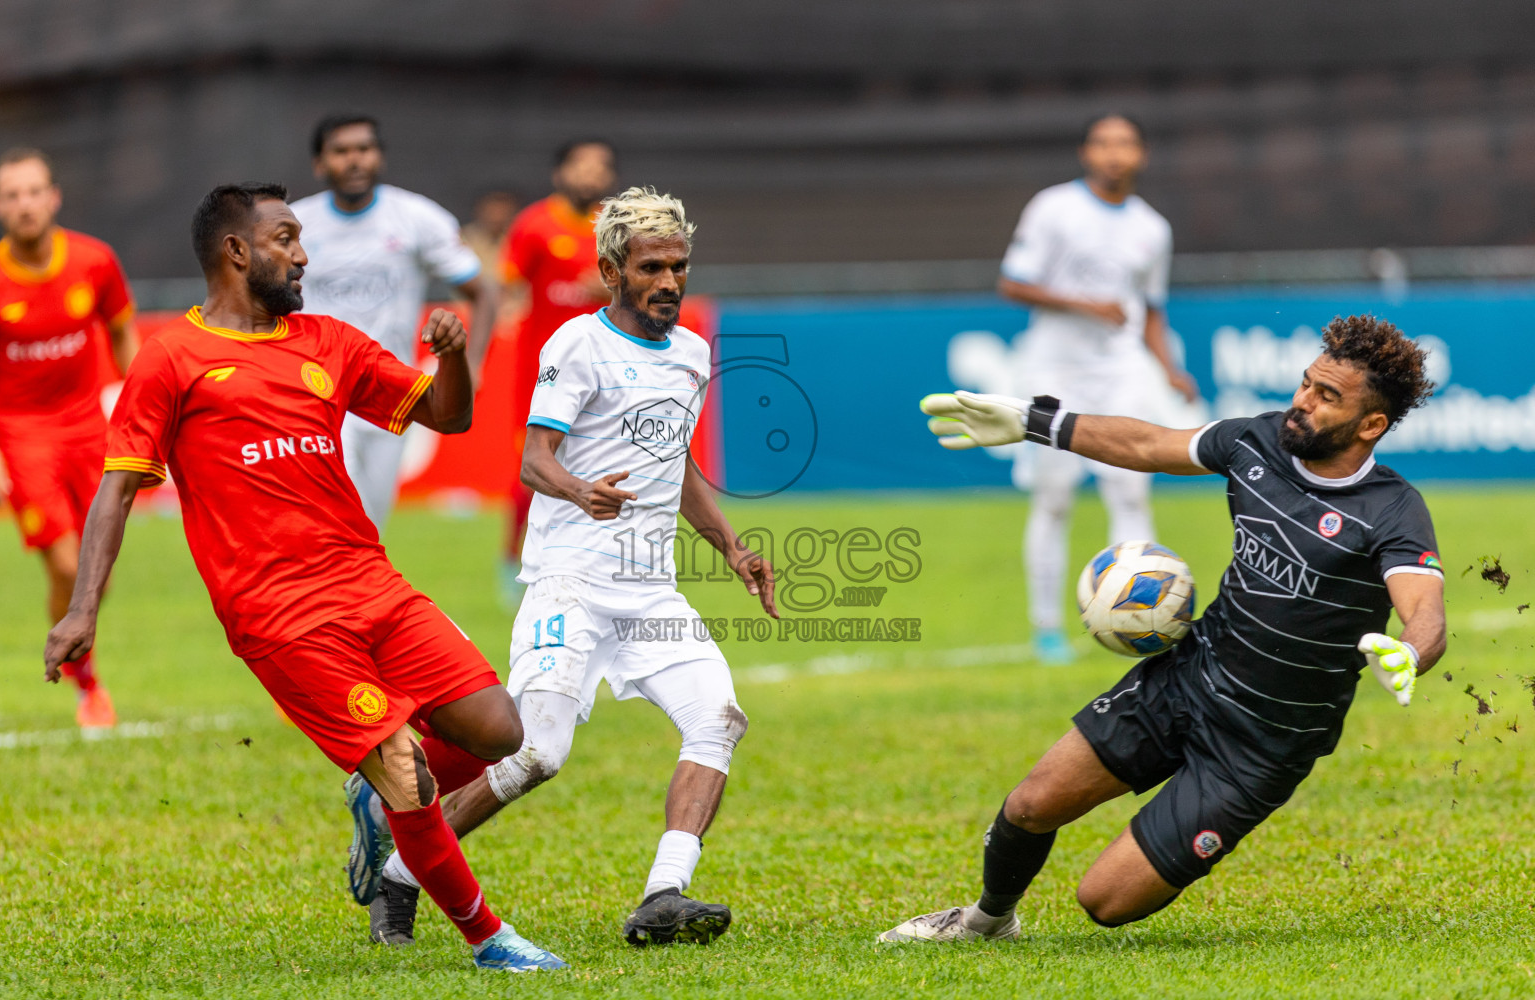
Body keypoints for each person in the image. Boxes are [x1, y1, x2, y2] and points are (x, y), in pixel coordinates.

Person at [43, 182, 564, 972]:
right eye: (286, 238)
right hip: (278, 614)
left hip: (371, 582)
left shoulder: (328, 341)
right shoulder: (172, 359)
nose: (303, 253)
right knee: (406, 768)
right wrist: (84, 611)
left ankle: (379, 802)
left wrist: (453, 357)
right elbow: (117, 487)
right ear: (237, 251)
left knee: (500, 733)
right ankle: (490, 939)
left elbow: (446, 417)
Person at [882, 315, 1444, 942]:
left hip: (1263, 745)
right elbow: (1148, 444)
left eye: (1327, 397)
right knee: (1031, 804)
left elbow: (1425, 609)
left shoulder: (1394, 510)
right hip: (1188, 678)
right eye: (1307, 384)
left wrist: (1410, 652)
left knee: (1105, 901)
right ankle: (986, 921)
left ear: (1371, 426)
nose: (1302, 403)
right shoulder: (1255, 442)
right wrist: (1034, 423)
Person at [352, 187, 776, 949]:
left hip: (653, 593)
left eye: (679, 265)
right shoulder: (576, 344)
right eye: (652, 266)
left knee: (718, 720)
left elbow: (673, 461)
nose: (670, 281)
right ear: (613, 270)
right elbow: (533, 459)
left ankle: (663, 894)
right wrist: (582, 490)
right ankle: (401, 873)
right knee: (536, 754)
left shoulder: (688, 352)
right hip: (571, 583)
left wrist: (732, 547)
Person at [997, 114, 1197, 664]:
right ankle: (1046, 631)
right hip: (1053, 370)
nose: (1115, 153)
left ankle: (1147, 615)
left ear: (1141, 154)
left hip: (1120, 371)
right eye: (1104, 142)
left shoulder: (1152, 228)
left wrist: (1169, 368)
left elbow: (1151, 310)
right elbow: (1011, 282)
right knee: (1054, 498)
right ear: (1087, 151)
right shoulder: (1053, 207)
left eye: (1126, 143)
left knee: (1131, 490)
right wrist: (1085, 305)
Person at [291, 114, 498, 533]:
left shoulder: (417, 218)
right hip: (317, 388)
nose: (354, 160)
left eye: (364, 149)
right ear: (319, 163)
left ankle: (348, 595)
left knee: (370, 525)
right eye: (341, 151)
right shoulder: (292, 225)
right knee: (333, 513)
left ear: (379, 157)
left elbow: (486, 291)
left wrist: (473, 363)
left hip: (390, 391)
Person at [0, 147, 139, 728]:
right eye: (11, 195)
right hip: (23, 435)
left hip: (90, 430)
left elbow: (124, 334)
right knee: (64, 566)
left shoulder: (94, 261)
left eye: (34, 192)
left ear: (54, 197)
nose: (24, 204)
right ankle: (89, 686)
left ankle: (81, 665)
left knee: (93, 573)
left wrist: (140, 411)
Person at [498, 140, 617, 605]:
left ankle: (594, 567)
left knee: (604, 468)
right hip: (542, 372)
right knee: (529, 471)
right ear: (559, 173)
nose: (590, 175)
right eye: (580, 166)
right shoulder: (534, 225)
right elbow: (507, 287)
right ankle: (512, 560)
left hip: (606, 372)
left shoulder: (617, 226)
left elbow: (646, 284)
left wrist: (612, 285)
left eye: (599, 167)